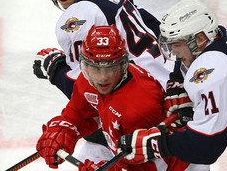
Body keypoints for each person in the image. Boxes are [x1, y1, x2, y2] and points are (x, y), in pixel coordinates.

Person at [33, 0, 170, 163]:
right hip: (165, 94)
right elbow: (161, 36)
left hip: (137, 109)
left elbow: (89, 86)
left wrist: (54, 69)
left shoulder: (79, 15)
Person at [117, 0, 227, 170]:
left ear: (199, 39)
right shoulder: (216, 39)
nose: (173, 51)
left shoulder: (216, 70)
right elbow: (183, 62)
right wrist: (178, 85)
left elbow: (207, 147)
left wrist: (155, 144)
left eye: (176, 44)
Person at [36, 24, 189, 170]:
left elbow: (153, 166)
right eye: (96, 68)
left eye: (110, 68)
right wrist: (65, 128)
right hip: (125, 152)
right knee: (90, 152)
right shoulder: (87, 80)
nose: (102, 78)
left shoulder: (139, 107)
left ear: (123, 65)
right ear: (86, 65)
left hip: (173, 166)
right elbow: (80, 112)